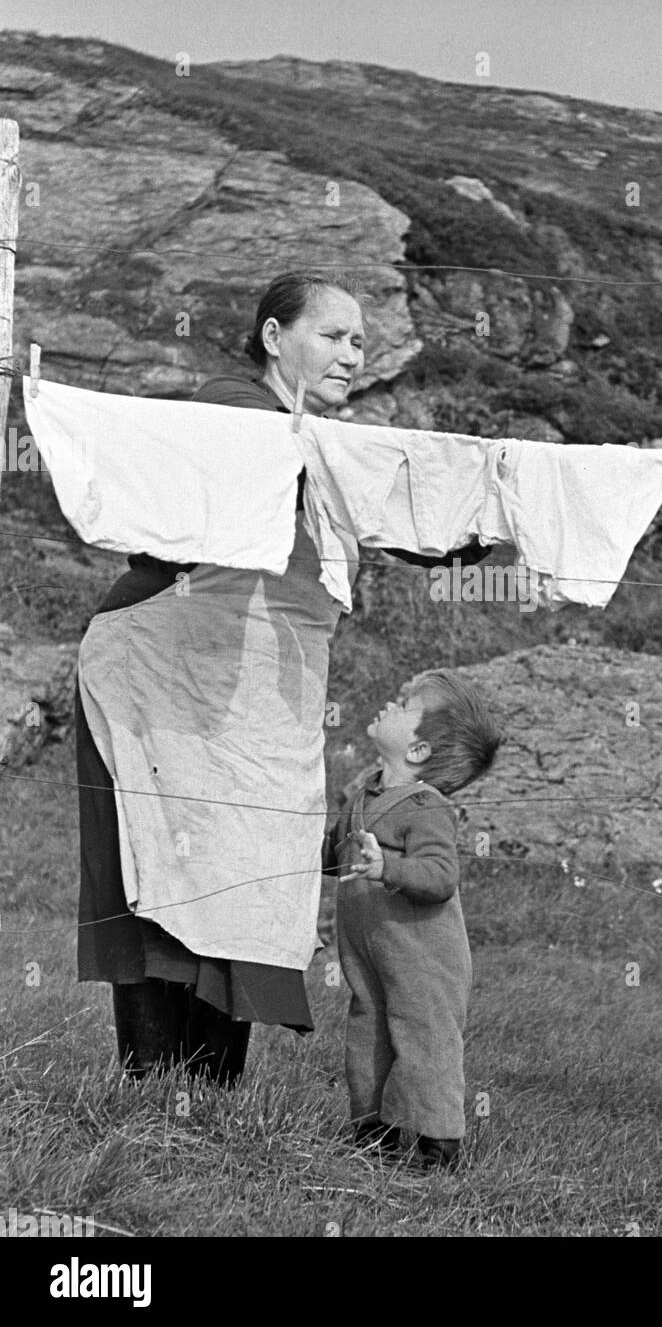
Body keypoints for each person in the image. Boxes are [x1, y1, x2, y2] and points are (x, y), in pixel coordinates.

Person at [76, 272, 491, 1086]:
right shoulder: (229, 406)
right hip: (158, 678)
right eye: (333, 336)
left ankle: (211, 1094)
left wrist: (481, 527)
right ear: (274, 338)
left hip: (258, 697)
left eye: (361, 342)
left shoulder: (323, 446)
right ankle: (156, 1090)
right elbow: (309, 471)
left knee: (252, 866)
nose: (352, 354)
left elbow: (383, 509)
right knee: (163, 864)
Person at [322, 669, 501, 1169]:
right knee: (369, 1032)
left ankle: (435, 1142)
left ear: (418, 751)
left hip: (424, 959)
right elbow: (333, 857)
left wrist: (388, 868)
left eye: (404, 705)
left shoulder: (427, 807)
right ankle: (373, 1132)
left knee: (424, 1039)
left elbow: (442, 876)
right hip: (370, 954)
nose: (389, 703)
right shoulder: (363, 796)